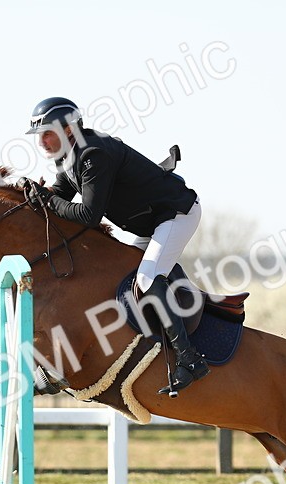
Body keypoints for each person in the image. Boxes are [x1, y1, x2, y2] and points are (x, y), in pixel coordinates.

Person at [21, 97, 209, 396]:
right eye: (39, 135)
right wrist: (35, 196)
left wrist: (49, 200)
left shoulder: (93, 154)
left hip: (176, 214)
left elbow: (88, 215)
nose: (42, 141)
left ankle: (190, 359)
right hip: (152, 222)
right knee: (125, 279)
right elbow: (60, 195)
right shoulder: (70, 155)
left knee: (146, 279)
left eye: (48, 132)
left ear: (69, 129)